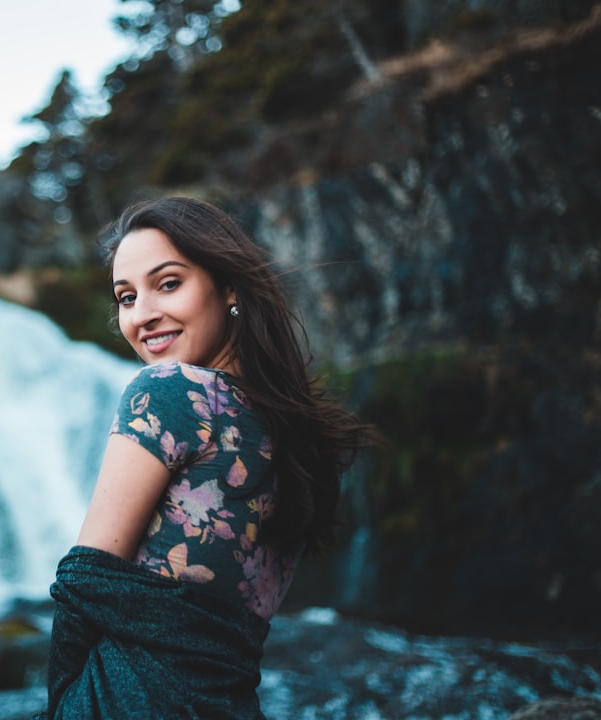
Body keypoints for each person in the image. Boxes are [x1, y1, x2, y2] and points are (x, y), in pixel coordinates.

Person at [35, 196, 374, 719]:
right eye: (125, 297)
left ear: (229, 286)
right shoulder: (294, 435)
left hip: (130, 701)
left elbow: (85, 579)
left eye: (168, 283)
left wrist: (61, 707)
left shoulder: (170, 390)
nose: (142, 315)